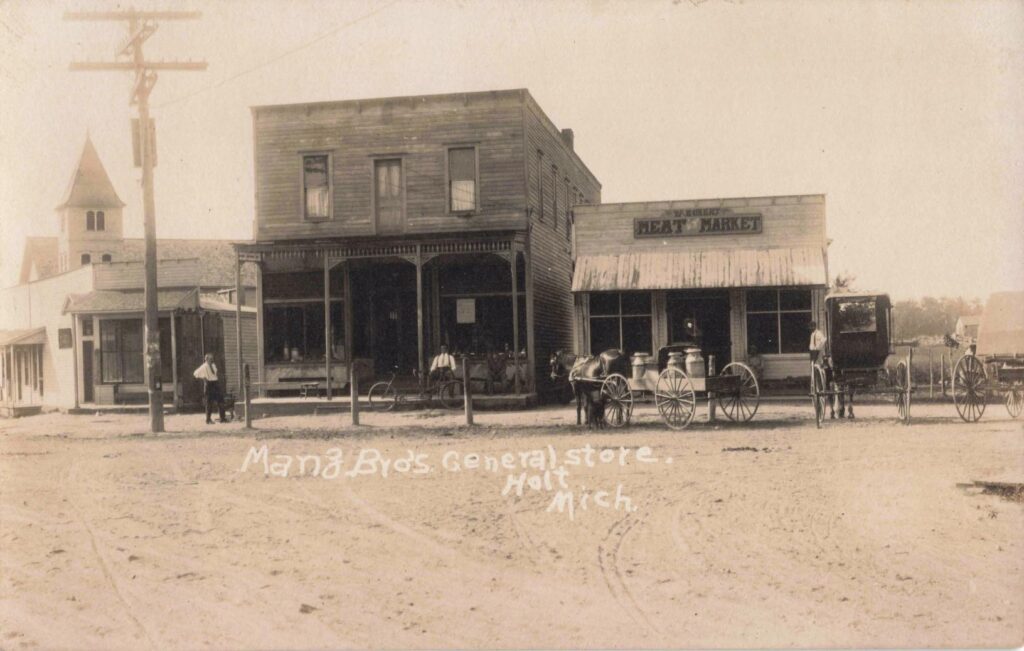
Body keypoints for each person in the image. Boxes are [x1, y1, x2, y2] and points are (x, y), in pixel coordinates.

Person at [193, 353, 227, 424]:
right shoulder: (203, 366)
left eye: (212, 358)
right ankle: (208, 420)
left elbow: (215, 373)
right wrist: (203, 378)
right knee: (209, 403)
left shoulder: (213, 365)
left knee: (221, 401)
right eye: (210, 358)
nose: (212, 360)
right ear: (206, 359)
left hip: (215, 383)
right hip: (209, 384)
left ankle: (222, 418)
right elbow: (195, 373)